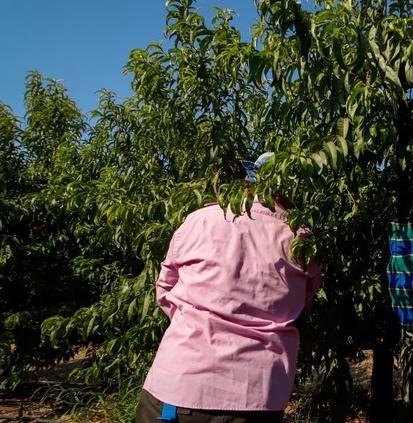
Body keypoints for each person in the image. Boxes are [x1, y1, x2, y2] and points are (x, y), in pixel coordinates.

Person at [136, 153, 321, 423]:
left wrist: (196, 325)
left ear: (247, 182)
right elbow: (305, 300)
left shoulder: (200, 220)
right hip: (259, 393)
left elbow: (165, 290)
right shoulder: (301, 239)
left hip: (179, 383)